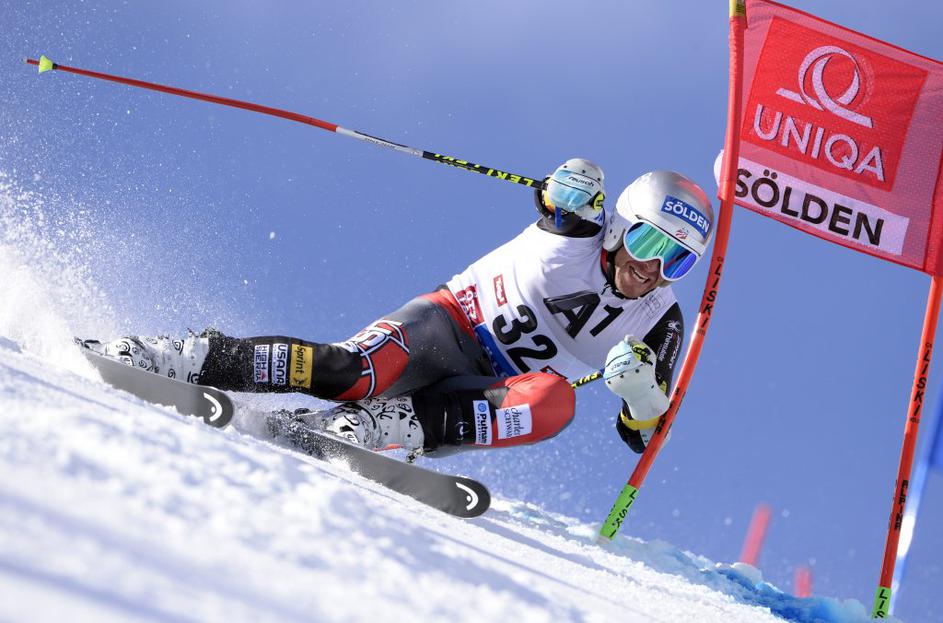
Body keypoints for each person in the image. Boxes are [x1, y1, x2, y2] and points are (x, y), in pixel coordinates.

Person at [86, 159, 714, 457]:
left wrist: (642, 397)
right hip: (444, 327)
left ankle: (374, 430)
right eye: (648, 243)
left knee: (555, 403)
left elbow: (643, 434)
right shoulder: (581, 227)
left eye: (677, 261)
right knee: (354, 370)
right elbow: (555, 199)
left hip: (481, 393)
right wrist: (562, 184)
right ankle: (182, 358)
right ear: (619, 225)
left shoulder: (660, 320)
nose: (652, 269)